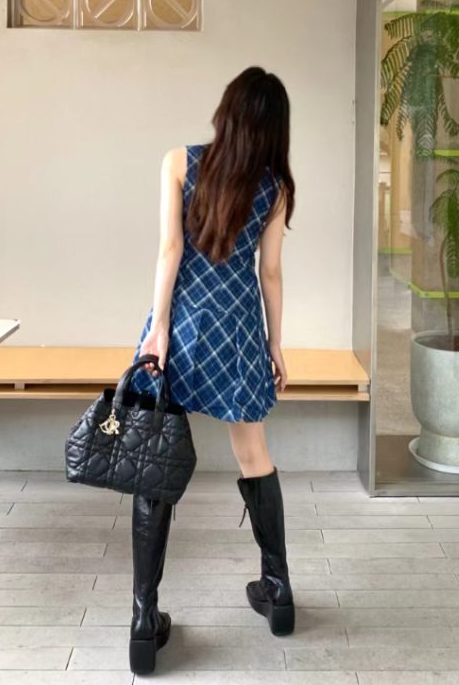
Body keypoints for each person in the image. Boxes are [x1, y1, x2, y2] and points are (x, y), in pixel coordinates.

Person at [126, 65, 296, 675]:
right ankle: (278, 590)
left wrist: (158, 329)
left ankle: (144, 617)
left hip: (182, 324)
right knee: (254, 454)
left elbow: (170, 251)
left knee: (154, 459)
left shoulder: (179, 162)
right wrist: (276, 344)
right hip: (240, 329)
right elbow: (269, 272)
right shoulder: (276, 187)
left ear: (227, 111)